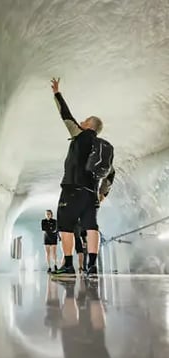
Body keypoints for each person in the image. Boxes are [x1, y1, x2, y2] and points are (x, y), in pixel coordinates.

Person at [50, 77, 115, 277]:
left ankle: (68, 265)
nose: (81, 121)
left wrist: (56, 93)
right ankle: (92, 266)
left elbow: (66, 116)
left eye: (85, 120)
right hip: (90, 194)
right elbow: (111, 173)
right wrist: (102, 195)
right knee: (91, 227)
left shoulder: (80, 136)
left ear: (89, 126)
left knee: (66, 225)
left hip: (72, 189)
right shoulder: (104, 146)